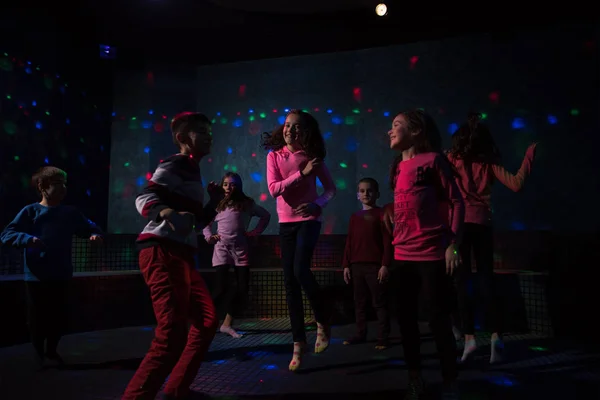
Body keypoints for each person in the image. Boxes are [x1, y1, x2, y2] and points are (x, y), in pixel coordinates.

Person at [123, 112, 223, 400]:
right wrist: (166, 212)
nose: (209, 136)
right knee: (171, 335)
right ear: (182, 138)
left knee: (205, 321)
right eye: (201, 131)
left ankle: (177, 389)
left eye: (209, 131)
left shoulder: (192, 169)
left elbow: (196, 222)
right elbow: (144, 196)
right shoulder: (176, 162)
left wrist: (213, 203)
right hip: (161, 249)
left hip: (182, 254)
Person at [447, 112, 537, 364]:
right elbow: (517, 184)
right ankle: (497, 336)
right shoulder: (488, 163)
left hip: (459, 225)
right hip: (483, 224)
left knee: (461, 282)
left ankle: (469, 339)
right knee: (487, 279)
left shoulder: (452, 159)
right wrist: (528, 157)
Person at [387, 109, 464, 400]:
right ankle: (415, 377)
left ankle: (450, 380)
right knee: (406, 322)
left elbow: (457, 201)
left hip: (431, 254)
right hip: (402, 256)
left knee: (438, 320)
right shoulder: (396, 165)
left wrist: (452, 244)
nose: (390, 131)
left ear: (416, 131)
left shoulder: (433, 160)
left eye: (397, 126)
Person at [0, 166, 103, 369]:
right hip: (36, 276)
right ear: (42, 187)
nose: (63, 188)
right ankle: (39, 352)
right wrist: (27, 239)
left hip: (61, 274)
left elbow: (90, 226)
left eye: (65, 184)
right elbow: (7, 234)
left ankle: (51, 351)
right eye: (58, 183)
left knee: (58, 316)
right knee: (37, 317)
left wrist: (94, 234)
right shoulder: (31, 211)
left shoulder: (70, 213)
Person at [262, 109, 336, 371]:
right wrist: (302, 175)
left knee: (300, 270)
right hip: (286, 224)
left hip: (308, 222)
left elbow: (330, 189)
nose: (290, 130)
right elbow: (273, 190)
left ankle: (323, 319)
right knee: (289, 283)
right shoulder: (274, 156)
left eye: (296, 127)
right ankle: (298, 343)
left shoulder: (312, 158)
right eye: (287, 125)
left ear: (305, 132)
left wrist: (317, 205)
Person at [203, 172, 271, 338]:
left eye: (232, 184)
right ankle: (202, 323)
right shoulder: (218, 204)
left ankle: (226, 324)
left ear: (238, 186)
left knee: (242, 288)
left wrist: (255, 232)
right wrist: (208, 237)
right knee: (220, 289)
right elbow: (205, 222)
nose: (228, 187)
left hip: (240, 249)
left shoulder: (246, 204)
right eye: (225, 184)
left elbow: (265, 215)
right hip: (222, 248)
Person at [342, 177, 392, 350]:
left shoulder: (381, 214)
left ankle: (383, 337)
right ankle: (360, 333)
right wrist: (346, 265)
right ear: (357, 194)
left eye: (369, 190)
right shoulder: (354, 217)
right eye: (362, 191)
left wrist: (385, 264)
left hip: (375, 266)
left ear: (377, 194)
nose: (366, 194)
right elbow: (350, 242)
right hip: (357, 266)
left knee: (379, 302)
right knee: (360, 302)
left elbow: (387, 241)